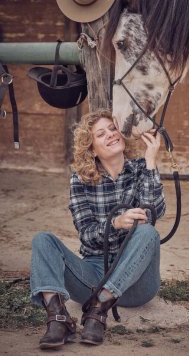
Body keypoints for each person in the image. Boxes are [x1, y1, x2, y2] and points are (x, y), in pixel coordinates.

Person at [30, 108, 165, 349]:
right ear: (91, 148)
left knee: (147, 232)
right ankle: (57, 318)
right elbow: (86, 234)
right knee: (43, 240)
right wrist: (115, 223)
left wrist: (151, 160)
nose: (111, 135)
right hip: (94, 276)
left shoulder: (140, 169)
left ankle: (99, 308)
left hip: (137, 285)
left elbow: (154, 213)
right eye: (101, 134)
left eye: (113, 129)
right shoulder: (80, 180)